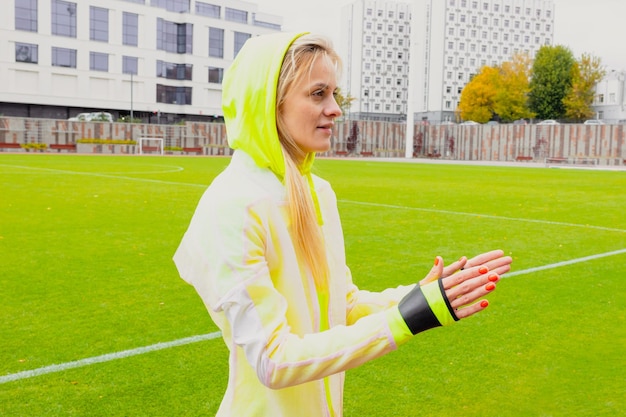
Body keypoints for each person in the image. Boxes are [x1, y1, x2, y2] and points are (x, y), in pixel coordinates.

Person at [173, 32, 512, 417]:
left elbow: (343, 305)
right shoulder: (232, 205)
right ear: (270, 101)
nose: (335, 109)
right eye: (318, 94)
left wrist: (423, 295)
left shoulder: (318, 192)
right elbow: (274, 359)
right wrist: (404, 320)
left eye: (335, 94)